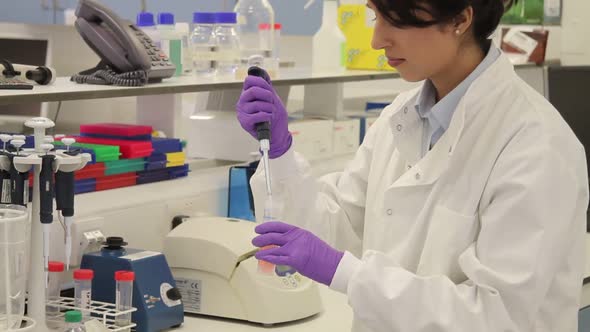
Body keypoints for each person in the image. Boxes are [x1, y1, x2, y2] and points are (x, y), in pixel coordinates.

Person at [236, 0, 589, 331]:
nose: (377, 41)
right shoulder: (401, 117)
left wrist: (345, 272)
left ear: (460, 20)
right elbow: (337, 227)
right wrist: (280, 153)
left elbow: (496, 316)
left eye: (395, 19)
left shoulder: (536, 144)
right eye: (376, 15)